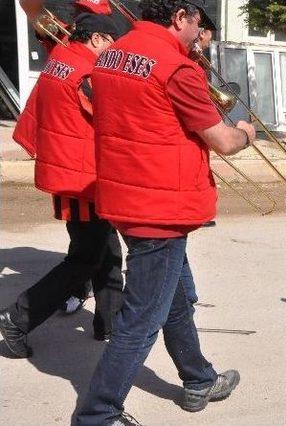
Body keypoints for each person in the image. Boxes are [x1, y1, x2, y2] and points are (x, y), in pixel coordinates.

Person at [74, 0, 256, 424]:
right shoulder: (178, 69)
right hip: (160, 207)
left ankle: (198, 379)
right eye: (198, 24)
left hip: (124, 197)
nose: (200, 34)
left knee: (170, 299)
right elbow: (224, 142)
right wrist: (246, 132)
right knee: (141, 319)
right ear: (180, 17)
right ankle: (98, 414)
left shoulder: (111, 55)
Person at [0, 13, 125, 358]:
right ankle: (18, 317)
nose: (113, 54)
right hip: (82, 176)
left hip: (71, 171)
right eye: (112, 45)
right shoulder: (86, 72)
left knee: (107, 250)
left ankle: (110, 323)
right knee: (86, 257)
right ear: (98, 39)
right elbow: (110, 117)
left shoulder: (61, 60)